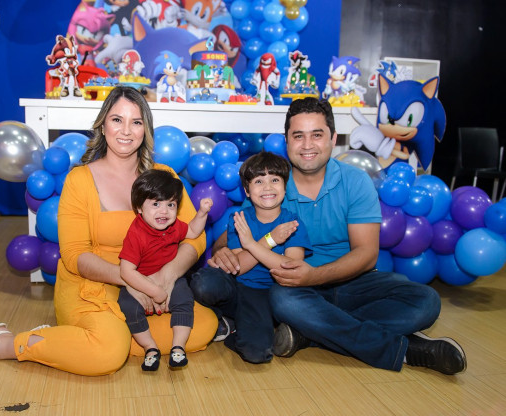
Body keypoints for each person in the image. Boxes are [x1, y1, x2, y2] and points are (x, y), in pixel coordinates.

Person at [0, 86, 218, 375]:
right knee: (107, 354)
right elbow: (75, 255)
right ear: (103, 125)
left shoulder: (164, 176)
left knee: (204, 325)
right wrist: (133, 281)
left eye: (136, 122)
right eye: (117, 119)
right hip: (92, 284)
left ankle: (107, 337)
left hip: (154, 282)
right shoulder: (79, 180)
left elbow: (194, 236)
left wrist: (165, 276)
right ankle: (4, 343)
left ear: (145, 129)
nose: (126, 130)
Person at [193, 97, 467, 375]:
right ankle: (402, 350)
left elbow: (366, 254)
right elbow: (235, 232)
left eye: (317, 135)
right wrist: (222, 250)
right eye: (298, 136)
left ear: (333, 139)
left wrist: (314, 276)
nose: (307, 145)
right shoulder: (272, 183)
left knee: (426, 301)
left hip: (350, 281)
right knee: (282, 300)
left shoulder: (355, 181)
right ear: (287, 141)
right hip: (293, 289)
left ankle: (308, 334)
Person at [191, 151, 312, 364]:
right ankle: (230, 317)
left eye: (275, 180)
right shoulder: (240, 218)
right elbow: (239, 267)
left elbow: (291, 267)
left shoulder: (292, 223)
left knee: (257, 354)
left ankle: (238, 329)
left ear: (285, 187)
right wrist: (270, 240)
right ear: (247, 191)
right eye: (258, 181)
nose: (267, 187)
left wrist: (251, 245)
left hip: (269, 294)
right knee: (204, 282)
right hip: (237, 287)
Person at [119, 169, 213, 370]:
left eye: (170, 205)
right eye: (156, 204)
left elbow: (193, 231)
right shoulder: (136, 234)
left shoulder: (173, 226)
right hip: (140, 280)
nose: (164, 211)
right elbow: (126, 271)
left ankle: (178, 347)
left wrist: (202, 214)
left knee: (185, 298)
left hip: (169, 277)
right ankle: (150, 347)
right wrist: (155, 291)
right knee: (127, 306)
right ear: (139, 208)